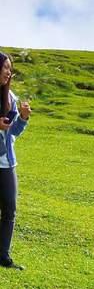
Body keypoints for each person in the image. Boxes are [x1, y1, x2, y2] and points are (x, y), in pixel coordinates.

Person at [0, 52, 31, 270]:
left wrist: (23, 118)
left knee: (9, 209)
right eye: (5, 68)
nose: (9, 72)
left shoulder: (10, 97)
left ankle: (3, 256)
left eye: (10, 69)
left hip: (7, 163)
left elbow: (13, 133)